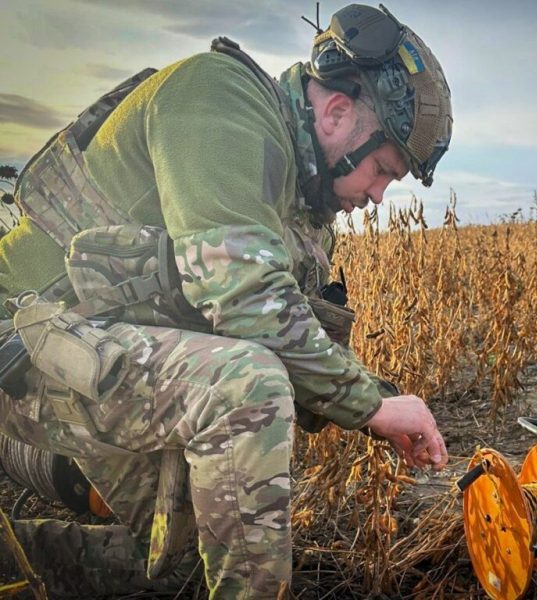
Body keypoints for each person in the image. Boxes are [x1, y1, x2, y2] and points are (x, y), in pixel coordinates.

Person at [0, 3, 452, 598]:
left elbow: (298, 342)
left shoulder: (303, 206)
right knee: (248, 385)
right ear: (338, 113)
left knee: (181, 565)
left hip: (94, 353)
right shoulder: (220, 98)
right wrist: (371, 407)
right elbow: (247, 301)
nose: (375, 196)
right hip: (22, 345)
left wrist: (383, 405)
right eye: (381, 170)